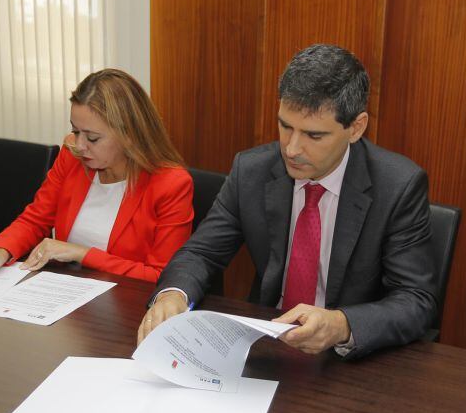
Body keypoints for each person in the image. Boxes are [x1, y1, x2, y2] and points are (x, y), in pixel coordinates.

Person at [137, 44, 436, 359]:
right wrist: (173, 296)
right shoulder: (251, 170)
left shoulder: (398, 186)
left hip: (348, 359)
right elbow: (201, 253)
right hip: (268, 344)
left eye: (314, 136)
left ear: (355, 128)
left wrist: (342, 324)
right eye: (285, 126)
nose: (292, 149)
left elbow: (416, 300)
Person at [0, 69, 192, 283]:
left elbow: (160, 276)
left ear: (129, 135)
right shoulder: (72, 156)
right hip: (65, 296)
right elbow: (36, 219)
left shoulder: (170, 185)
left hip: (125, 308)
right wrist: (1, 251)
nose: (80, 145)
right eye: (75, 131)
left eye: (92, 138)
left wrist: (82, 254)